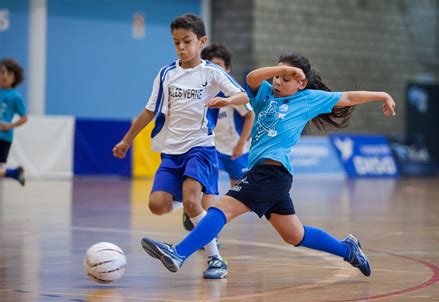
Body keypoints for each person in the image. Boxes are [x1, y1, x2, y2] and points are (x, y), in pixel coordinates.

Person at [140, 53, 397, 278]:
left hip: (272, 172)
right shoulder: (264, 95)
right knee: (294, 234)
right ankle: (347, 249)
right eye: (277, 76)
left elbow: (349, 96)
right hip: (268, 175)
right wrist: (280, 70)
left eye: (286, 79)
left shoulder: (308, 99)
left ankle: (178, 253)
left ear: (301, 83)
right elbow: (252, 77)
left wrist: (382, 95)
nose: (278, 82)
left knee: (223, 210)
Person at [112, 13, 248, 279]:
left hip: (201, 148)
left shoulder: (212, 72)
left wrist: (227, 102)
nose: (182, 48)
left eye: (187, 41)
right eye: (176, 43)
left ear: (202, 41)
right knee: (157, 205)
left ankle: (216, 260)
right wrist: (127, 139)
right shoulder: (166, 74)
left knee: (191, 198)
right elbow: (149, 111)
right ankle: (191, 209)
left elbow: (242, 94)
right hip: (172, 152)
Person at [182, 43, 255, 232]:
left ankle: (206, 218)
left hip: (236, 149)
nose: (216, 69)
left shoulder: (232, 92)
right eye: (211, 64)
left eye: (220, 65)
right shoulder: (200, 91)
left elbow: (250, 116)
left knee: (241, 195)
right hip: (211, 147)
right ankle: (207, 231)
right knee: (209, 189)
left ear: (227, 68)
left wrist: (241, 144)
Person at [0, 59, 28, 186]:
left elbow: (24, 118)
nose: (4, 76)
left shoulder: (15, 96)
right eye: (1, 72)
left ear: (14, 78)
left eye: (7, 73)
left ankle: (13, 173)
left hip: (3, 137)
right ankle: (13, 173)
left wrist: (10, 125)